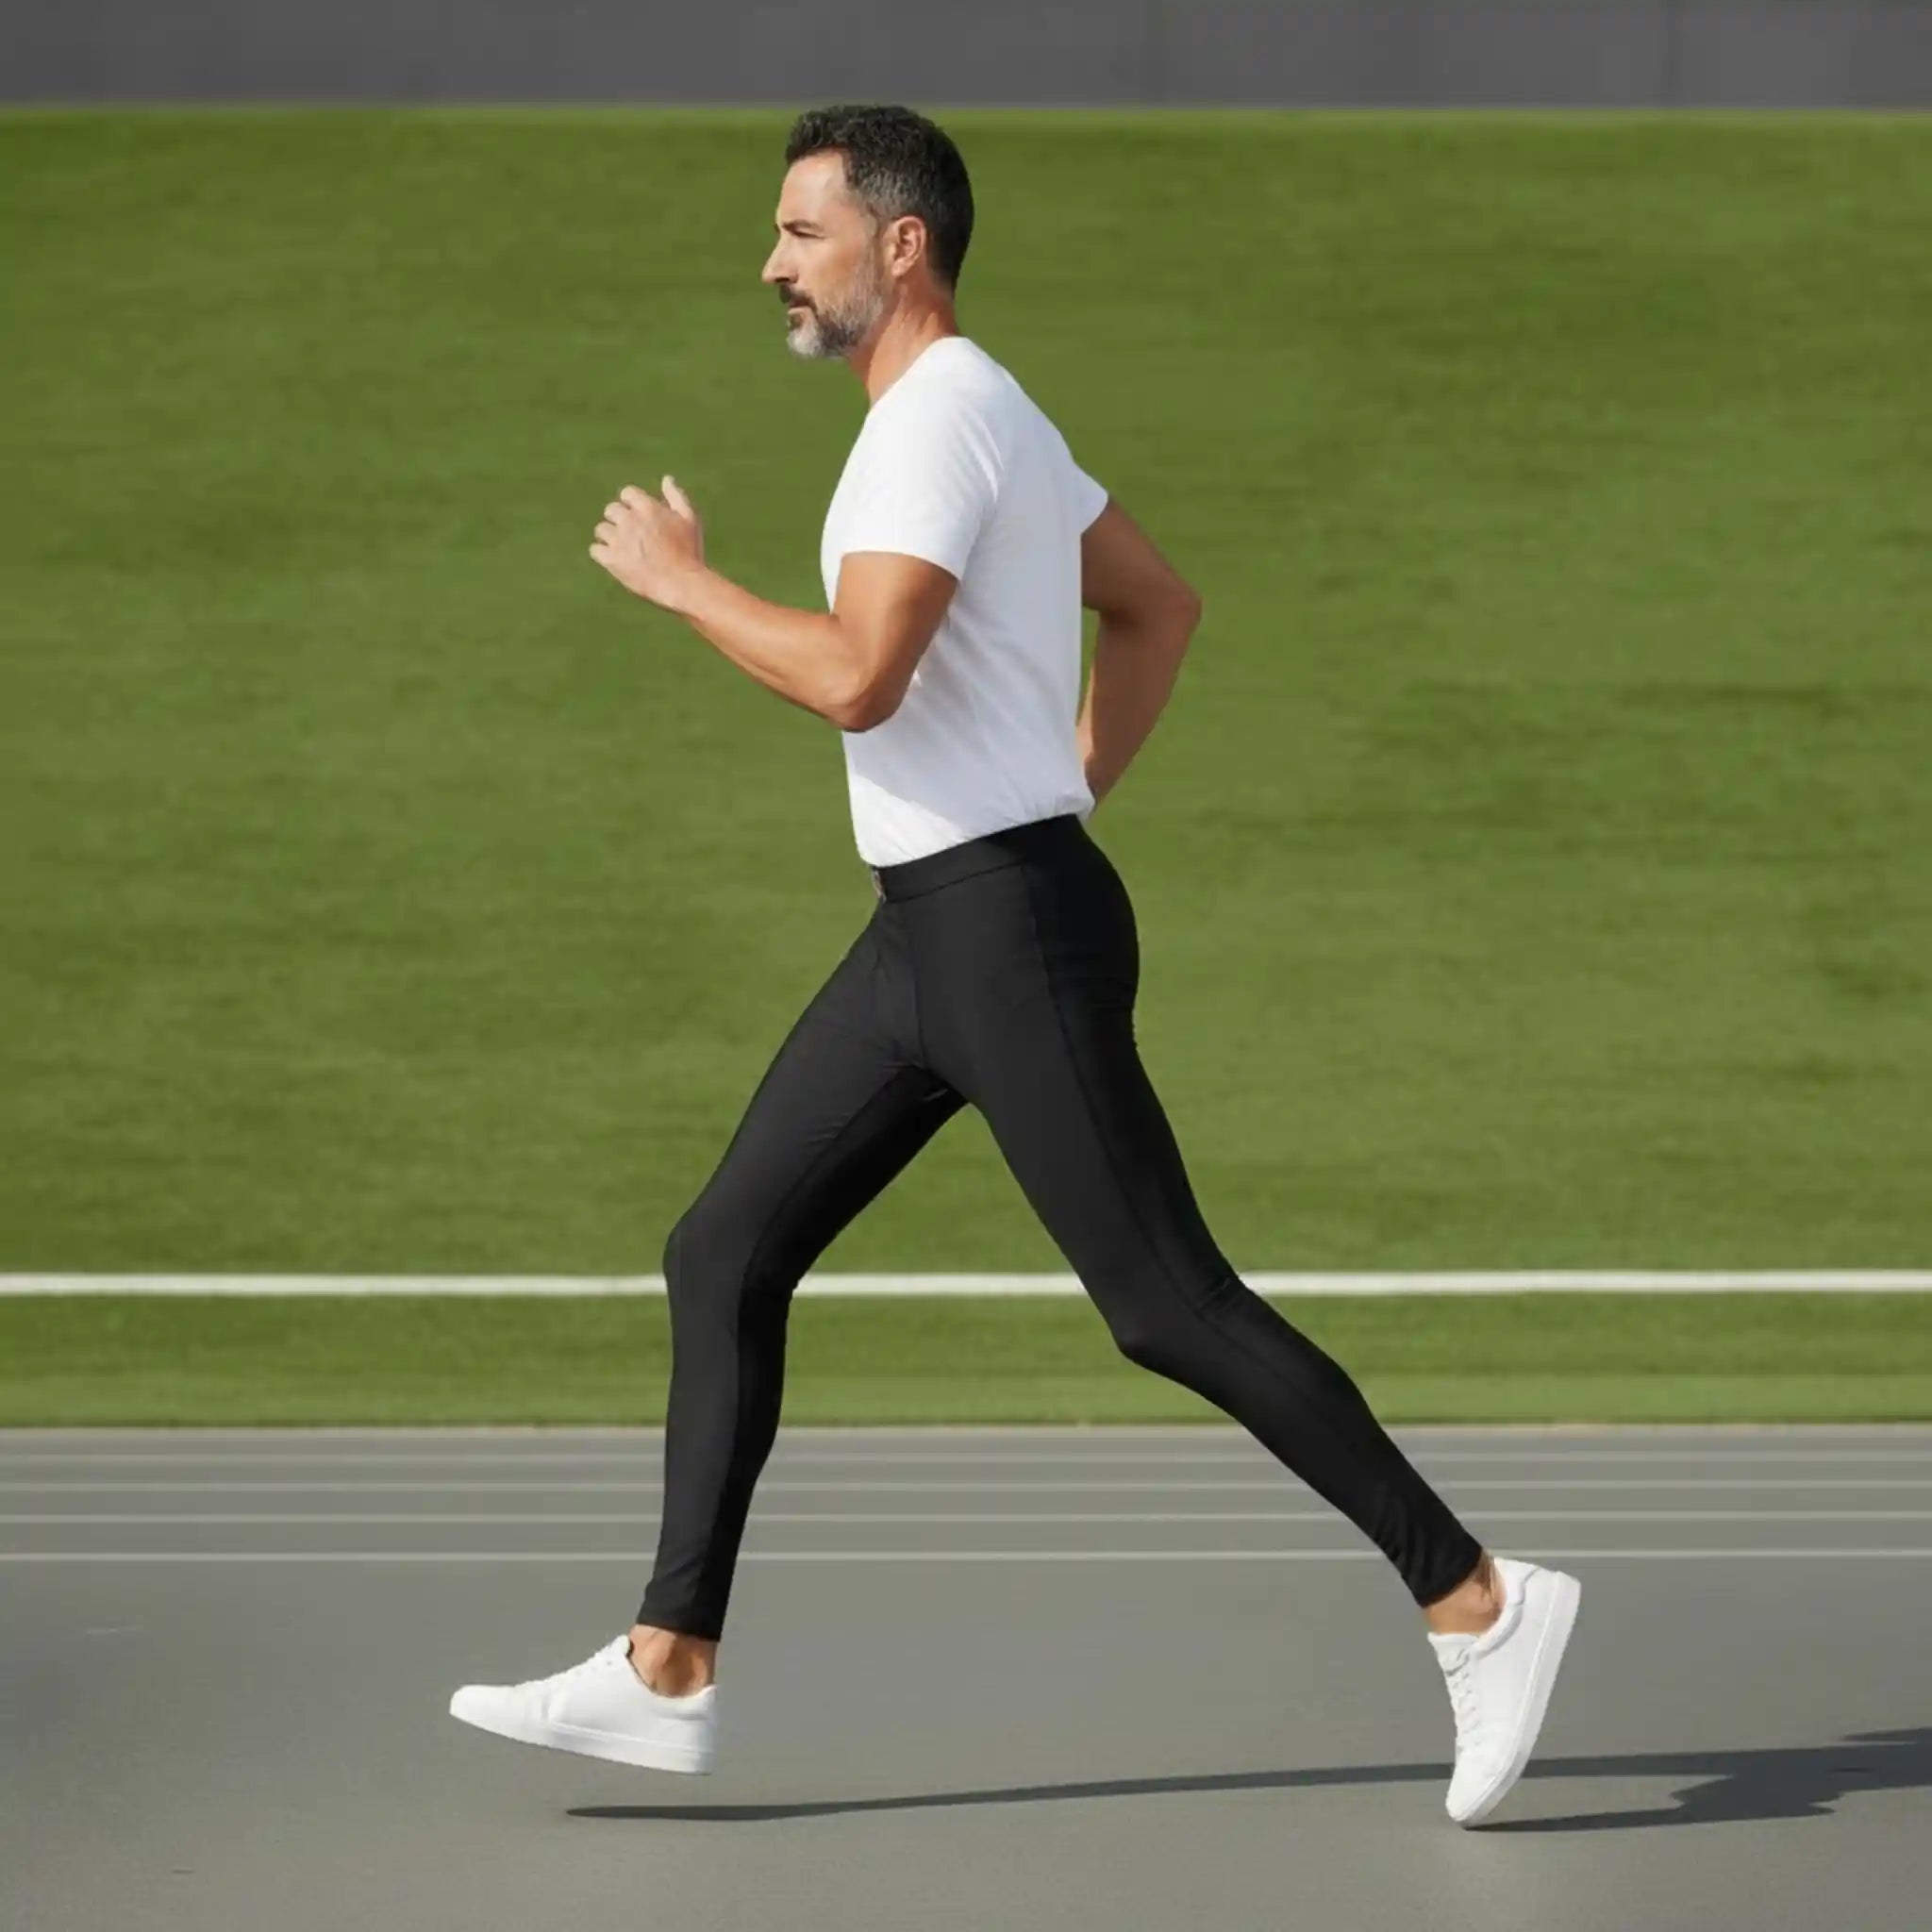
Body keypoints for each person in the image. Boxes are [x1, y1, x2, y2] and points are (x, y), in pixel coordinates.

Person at [448, 102, 1579, 1826]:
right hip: (935, 925)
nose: (770, 262)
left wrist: (683, 586)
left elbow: (856, 676)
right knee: (724, 1250)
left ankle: (1480, 1600)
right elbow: (1162, 608)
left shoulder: (932, 431)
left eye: (801, 231)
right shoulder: (990, 414)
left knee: (1165, 1307)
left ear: (901, 245)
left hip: (1001, 930)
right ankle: (668, 1665)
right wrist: (1055, 792)